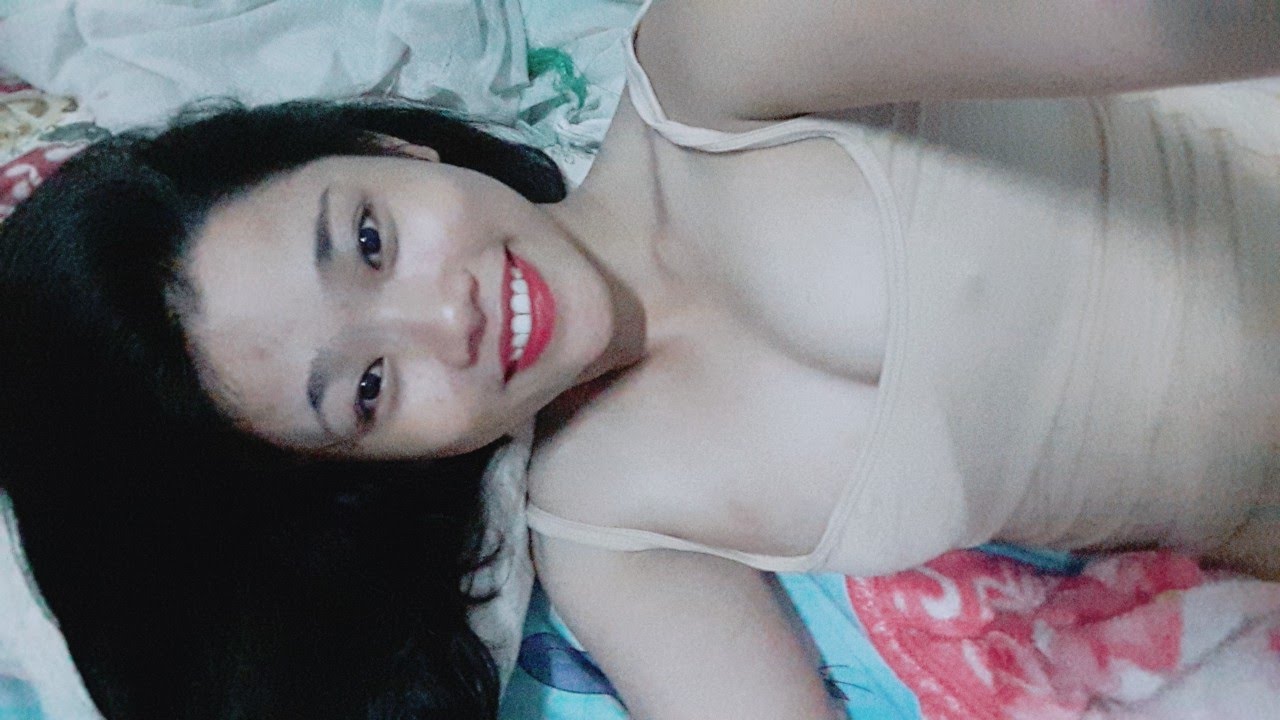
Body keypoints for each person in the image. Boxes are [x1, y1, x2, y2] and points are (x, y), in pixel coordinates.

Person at [3, 1, 1279, 718]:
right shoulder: (604, 527)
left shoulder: (711, 63)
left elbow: (1165, 20)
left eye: (371, 241)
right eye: (369, 390)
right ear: (373, 464)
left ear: (392, 149)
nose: (442, 319)